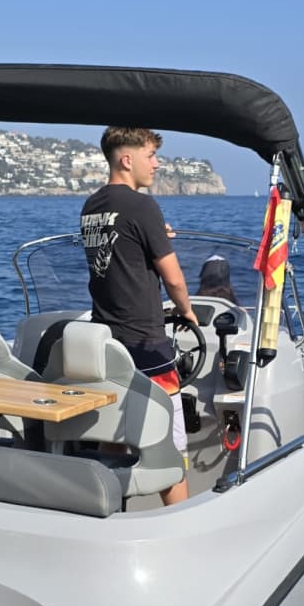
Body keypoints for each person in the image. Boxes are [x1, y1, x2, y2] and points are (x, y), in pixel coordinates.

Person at [80, 127, 199, 505]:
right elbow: (175, 280)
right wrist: (188, 312)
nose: (157, 163)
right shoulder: (143, 206)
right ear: (127, 159)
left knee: (117, 436)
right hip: (148, 346)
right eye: (151, 155)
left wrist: (152, 234)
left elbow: (122, 250)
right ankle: (182, 526)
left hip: (106, 346)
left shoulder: (92, 207)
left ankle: (117, 516)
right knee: (171, 446)